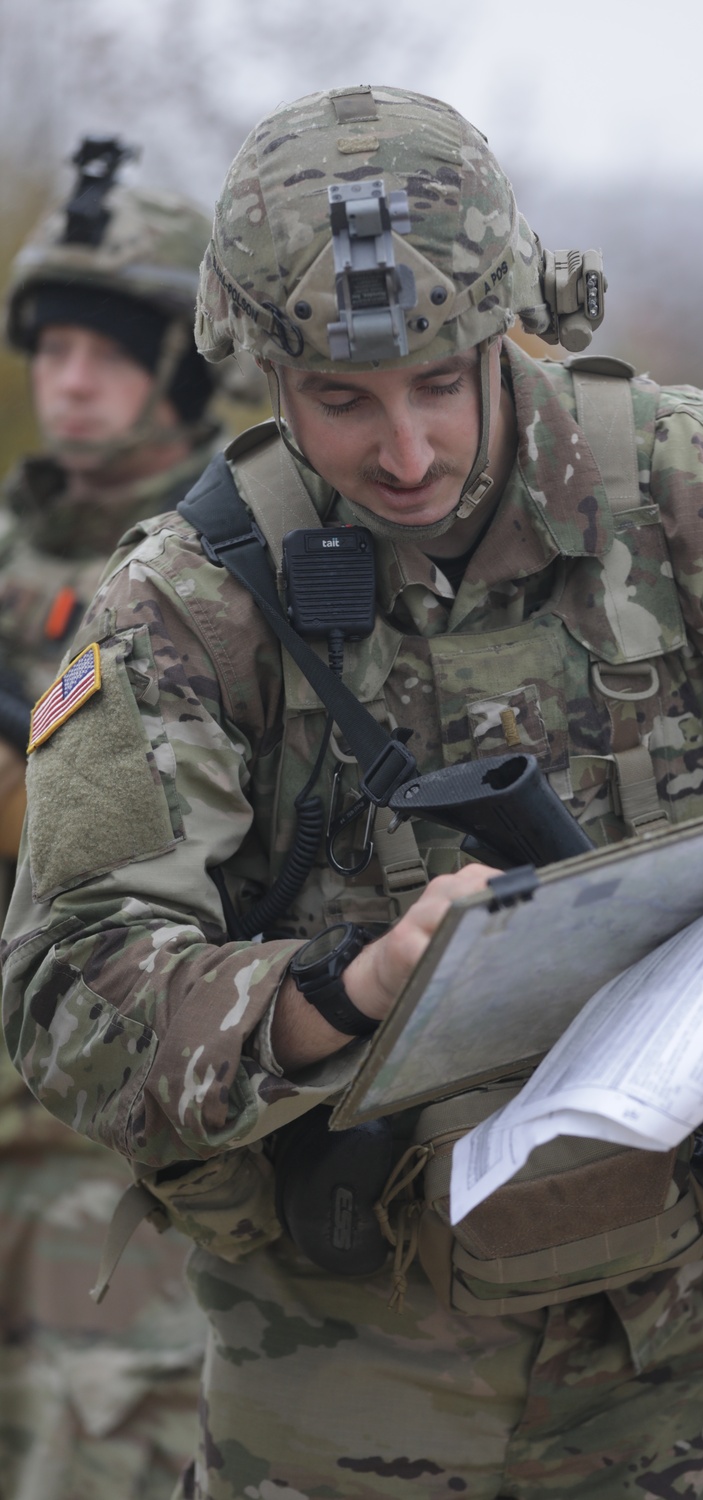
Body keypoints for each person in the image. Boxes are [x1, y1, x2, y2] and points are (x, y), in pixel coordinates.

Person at [2, 88, 703, 1500]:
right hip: (343, 1382)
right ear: (262, 370)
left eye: (440, 386)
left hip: (690, 1358)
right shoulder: (188, 600)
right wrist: (346, 991)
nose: (404, 454)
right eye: (344, 402)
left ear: (514, 326)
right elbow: (61, 991)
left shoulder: (697, 494)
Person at [0, 137, 239, 1500]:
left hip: (126, 1139)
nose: (69, 381)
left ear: (180, 366)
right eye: (52, 350)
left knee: (109, 1454)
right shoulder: (14, 550)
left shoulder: (228, 561)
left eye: (106, 351)